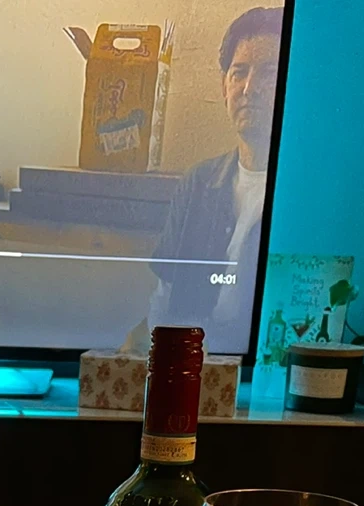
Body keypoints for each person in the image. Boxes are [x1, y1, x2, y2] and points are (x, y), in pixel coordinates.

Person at [150, 7, 283, 355]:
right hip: (186, 366)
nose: (249, 89)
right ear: (224, 86)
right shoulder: (197, 182)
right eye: (239, 72)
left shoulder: (303, 194)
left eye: (269, 73)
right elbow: (163, 298)